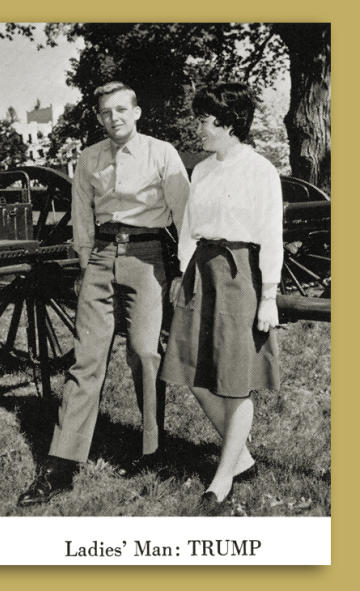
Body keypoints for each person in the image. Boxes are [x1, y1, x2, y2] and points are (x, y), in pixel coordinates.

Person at [18, 81, 190, 507]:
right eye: (106, 113)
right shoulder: (88, 158)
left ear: (136, 112)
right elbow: (81, 218)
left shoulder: (161, 153)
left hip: (147, 257)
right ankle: (61, 464)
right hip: (99, 258)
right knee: (85, 361)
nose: (114, 118)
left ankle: (153, 450)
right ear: (99, 118)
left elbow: (186, 216)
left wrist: (183, 270)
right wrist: (85, 265)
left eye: (121, 110)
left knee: (145, 353)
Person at [160, 82, 282, 511]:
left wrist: (269, 296)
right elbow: (190, 225)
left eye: (205, 119)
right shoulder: (204, 169)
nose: (199, 126)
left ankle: (222, 479)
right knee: (192, 371)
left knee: (235, 381)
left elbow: (271, 235)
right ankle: (242, 458)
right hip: (201, 273)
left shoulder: (260, 171)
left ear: (228, 124)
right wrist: (183, 273)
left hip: (240, 275)